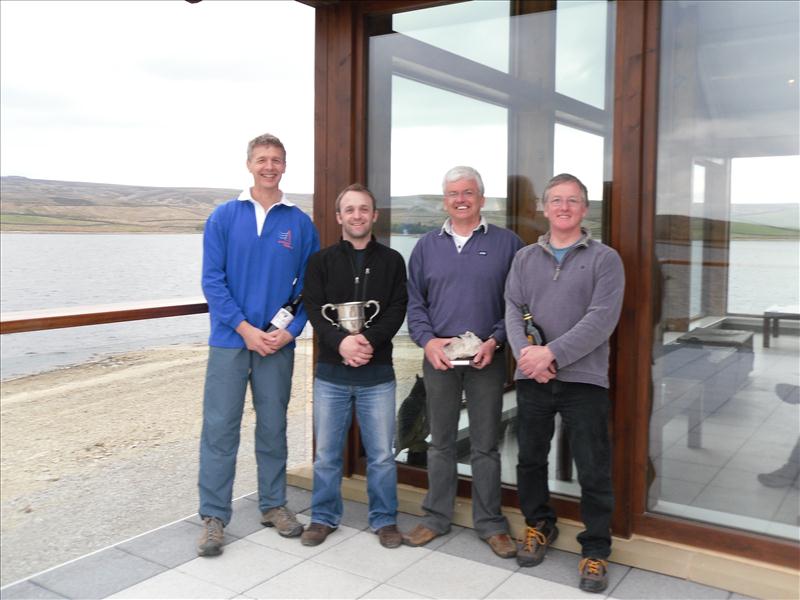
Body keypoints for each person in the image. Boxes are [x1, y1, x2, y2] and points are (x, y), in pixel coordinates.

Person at [197, 133, 320, 557]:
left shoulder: (300, 224)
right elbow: (212, 280)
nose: (270, 166)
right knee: (220, 429)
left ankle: (273, 505)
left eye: (277, 160)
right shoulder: (224, 217)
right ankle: (214, 517)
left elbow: (310, 287)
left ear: (285, 166)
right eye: (262, 159)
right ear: (249, 164)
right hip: (230, 341)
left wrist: (290, 331)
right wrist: (244, 328)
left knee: (273, 426)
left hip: (277, 345)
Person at [504, 173, 624, 592]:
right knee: (530, 459)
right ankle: (539, 525)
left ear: (585, 209)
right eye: (556, 200)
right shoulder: (523, 259)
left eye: (572, 201)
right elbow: (512, 309)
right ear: (544, 207)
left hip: (585, 380)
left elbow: (601, 320)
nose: (564, 207)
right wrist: (528, 357)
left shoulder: (606, 259)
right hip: (532, 376)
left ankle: (594, 549)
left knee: (593, 467)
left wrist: (550, 354)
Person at [404, 166, 524, 559]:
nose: (461, 199)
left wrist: (496, 341)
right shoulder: (425, 246)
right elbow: (414, 303)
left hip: (485, 360)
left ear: (481, 199)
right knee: (439, 442)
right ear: (445, 200)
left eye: (468, 192)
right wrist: (428, 342)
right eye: (453, 193)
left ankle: (490, 524)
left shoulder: (508, 244)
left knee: (485, 446)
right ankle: (436, 517)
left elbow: (516, 303)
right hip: (439, 361)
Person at [302, 183, 408, 548]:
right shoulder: (320, 261)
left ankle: (384, 520)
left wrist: (368, 342)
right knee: (326, 455)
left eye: (364, 209)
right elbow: (314, 310)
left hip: (377, 375)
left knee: (381, 456)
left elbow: (397, 309)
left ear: (374, 215)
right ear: (338, 217)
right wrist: (343, 343)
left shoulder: (392, 261)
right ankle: (323, 517)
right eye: (350, 209)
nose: (357, 215)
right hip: (331, 374)